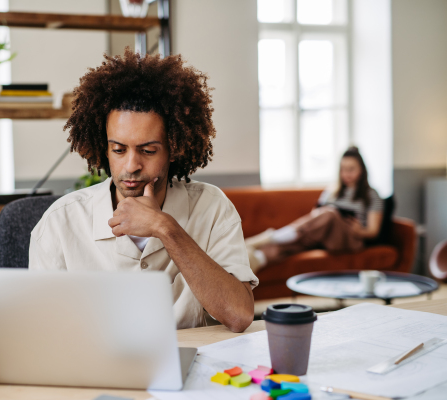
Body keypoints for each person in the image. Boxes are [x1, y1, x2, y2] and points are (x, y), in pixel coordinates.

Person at [29, 49, 258, 332]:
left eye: (148, 150)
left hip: (191, 365)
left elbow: (238, 316)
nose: (132, 165)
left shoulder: (212, 208)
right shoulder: (60, 223)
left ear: (174, 148)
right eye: (118, 149)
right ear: (104, 148)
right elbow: (42, 332)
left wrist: (165, 228)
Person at [245, 146, 384, 271]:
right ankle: (257, 258)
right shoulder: (332, 191)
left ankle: (274, 236)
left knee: (330, 213)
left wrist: (359, 230)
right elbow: (315, 216)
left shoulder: (371, 195)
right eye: (343, 169)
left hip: (351, 239)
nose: (346, 173)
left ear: (362, 170)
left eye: (351, 169)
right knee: (292, 244)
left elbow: (373, 231)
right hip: (324, 238)